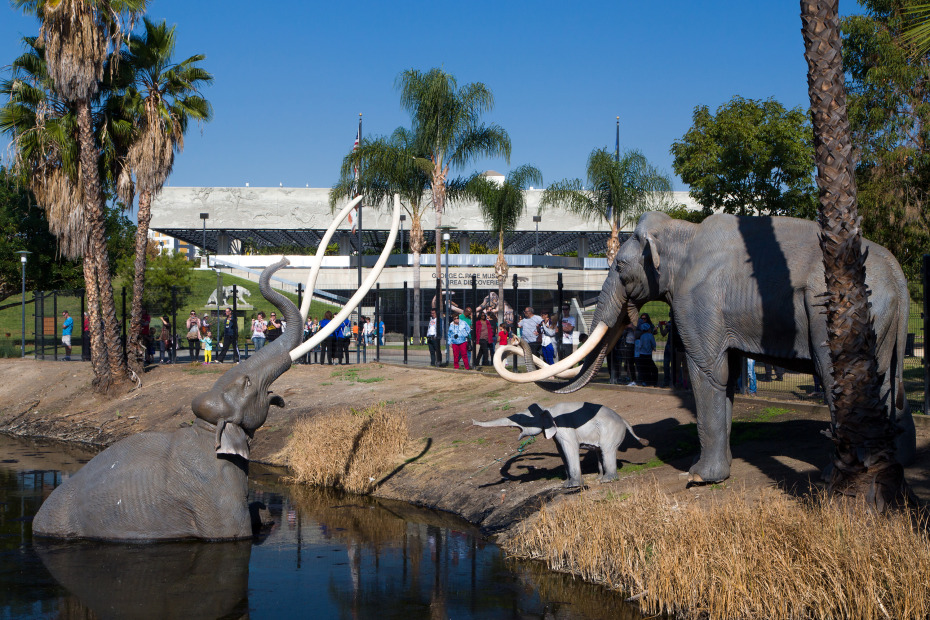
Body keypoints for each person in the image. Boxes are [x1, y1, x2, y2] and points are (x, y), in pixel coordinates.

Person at [634, 318, 658, 386]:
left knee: (644, 369)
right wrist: (653, 348)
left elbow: (640, 345)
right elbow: (653, 343)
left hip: (642, 354)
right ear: (648, 329)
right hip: (648, 354)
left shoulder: (642, 336)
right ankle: (653, 381)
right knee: (653, 369)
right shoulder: (650, 335)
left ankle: (645, 381)